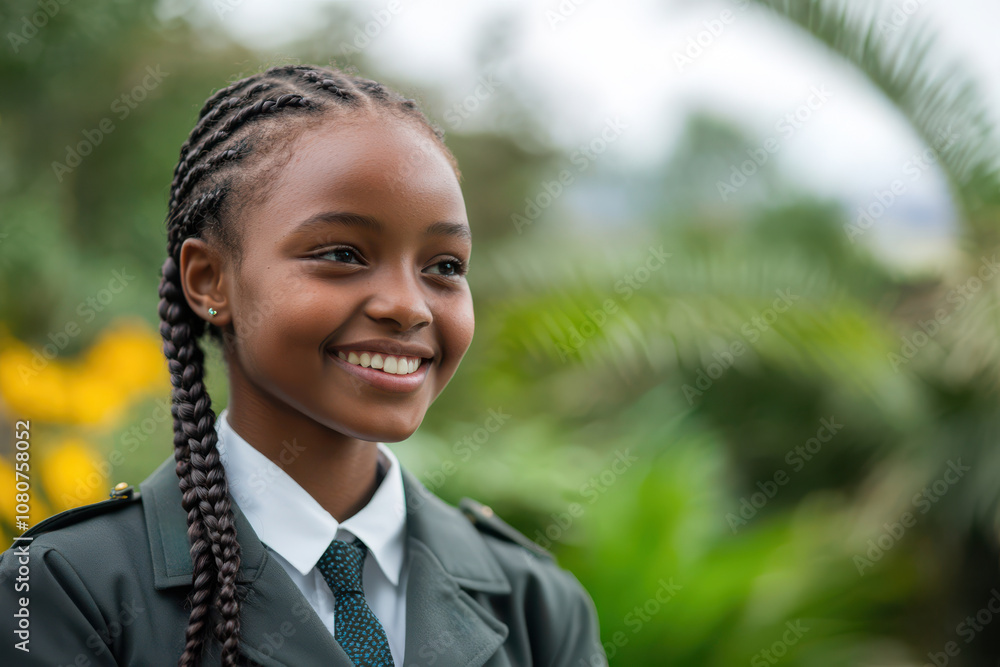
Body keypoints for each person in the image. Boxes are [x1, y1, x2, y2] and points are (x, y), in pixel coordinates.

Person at [0, 64, 607, 667]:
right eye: (343, 254)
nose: (407, 305)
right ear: (210, 280)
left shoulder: (537, 605)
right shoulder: (63, 592)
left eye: (444, 266)